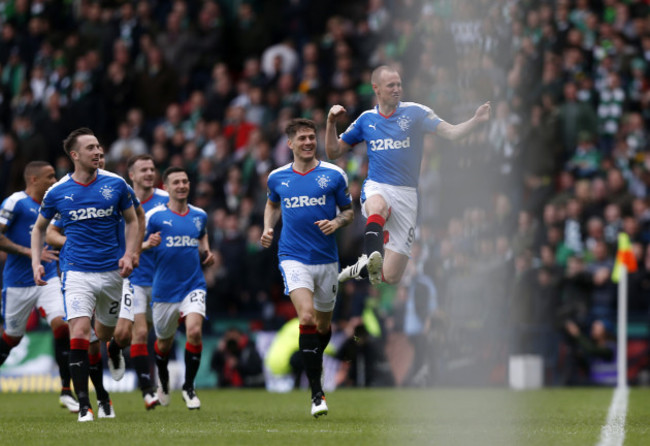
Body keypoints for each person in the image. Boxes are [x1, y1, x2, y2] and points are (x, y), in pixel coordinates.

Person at [325, 65, 491, 285]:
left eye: (399, 84)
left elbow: (451, 133)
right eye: (390, 85)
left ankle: (364, 266)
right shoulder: (366, 120)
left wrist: (475, 121)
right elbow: (333, 151)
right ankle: (372, 255)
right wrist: (330, 123)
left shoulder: (416, 113)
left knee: (392, 276)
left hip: (407, 196)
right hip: (377, 186)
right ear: (376, 89)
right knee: (378, 207)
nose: (397, 89)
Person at [31, 127, 139, 422]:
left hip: (111, 273)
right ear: (75, 155)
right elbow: (40, 228)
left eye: (99, 147)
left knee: (103, 334)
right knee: (78, 333)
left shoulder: (116, 184)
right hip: (76, 272)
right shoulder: (58, 192)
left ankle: (110, 366)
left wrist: (130, 253)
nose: (98, 152)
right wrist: (35, 263)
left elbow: (132, 220)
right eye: (91, 148)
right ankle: (85, 405)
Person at [261, 118, 353, 418]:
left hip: (327, 260)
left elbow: (349, 212)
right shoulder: (277, 177)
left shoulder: (334, 175)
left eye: (311, 137)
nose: (308, 142)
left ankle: (314, 366)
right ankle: (316, 393)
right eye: (302, 138)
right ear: (290, 144)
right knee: (308, 316)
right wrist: (267, 228)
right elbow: (273, 204)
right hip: (293, 256)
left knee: (323, 328)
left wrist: (336, 221)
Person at [0, 161, 80, 413]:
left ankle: (67, 390)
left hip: (48, 278)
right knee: (12, 337)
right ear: (33, 180)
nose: (54, 180)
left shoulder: (53, 206)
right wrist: (31, 252)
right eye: (49, 176)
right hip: (17, 282)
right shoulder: (15, 202)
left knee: (62, 325)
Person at [146, 166, 215, 410]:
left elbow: (202, 234)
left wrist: (206, 251)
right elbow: (134, 244)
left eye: (185, 181)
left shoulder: (199, 215)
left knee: (194, 332)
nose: (182, 185)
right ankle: (163, 381)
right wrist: (147, 243)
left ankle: (188, 387)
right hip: (164, 291)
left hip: (193, 285)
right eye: (176, 182)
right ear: (166, 187)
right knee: (163, 344)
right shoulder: (153, 217)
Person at [126, 154, 169, 409]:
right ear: (131, 175)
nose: (149, 173)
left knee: (164, 336)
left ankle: (163, 379)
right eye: (143, 170)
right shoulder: (122, 200)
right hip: (136, 277)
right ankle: (147, 390)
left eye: (152, 169)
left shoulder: (167, 199)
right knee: (139, 332)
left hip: (164, 279)